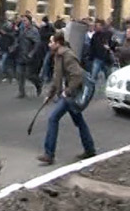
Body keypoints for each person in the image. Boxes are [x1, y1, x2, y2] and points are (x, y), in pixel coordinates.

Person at [37, 32, 96, 165]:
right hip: (69, 95)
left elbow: (78, 75)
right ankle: (90, 149)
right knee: (80, 122)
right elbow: (57, 78)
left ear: (58, 43)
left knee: (53, 119)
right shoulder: (58, 55)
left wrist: (68, 91)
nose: (49, 44)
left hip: (71, 96)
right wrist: (50, 95)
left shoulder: (67, 56)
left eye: (51, 42)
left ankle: (49, 154)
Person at [14, 15, 42, 98]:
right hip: (20, 54)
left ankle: (38, 84)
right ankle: (21, 92)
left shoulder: (34, 31)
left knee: (29, 75)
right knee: (19, 74)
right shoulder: (21, 29)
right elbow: (18, 39)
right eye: (23, 21)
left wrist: (32, 53)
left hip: (29, 56)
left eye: (25, 20)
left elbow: (37, 43)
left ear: (29, 21)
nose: (24, 22)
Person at [39, 16, 56, 83]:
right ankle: (47, 76)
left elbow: (53, 35)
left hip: (49, 47)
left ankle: (44, 76)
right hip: (45, 47)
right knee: (47, 62)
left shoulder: (50, 27)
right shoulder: (43, 28)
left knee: (46, 62)